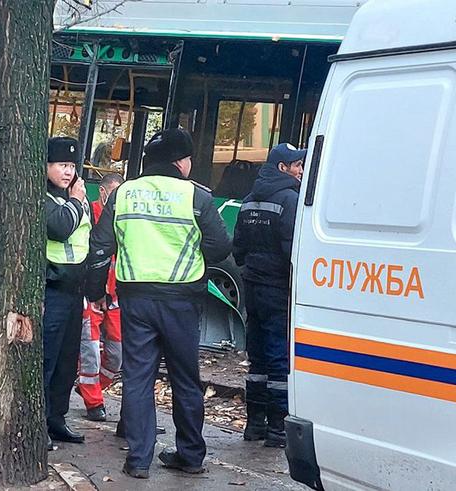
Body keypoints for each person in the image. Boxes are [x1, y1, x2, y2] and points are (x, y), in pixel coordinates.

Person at [87, 128, 231, 479]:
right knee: (185, 378)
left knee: (138, 377)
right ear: (181, 161)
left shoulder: (123, 194)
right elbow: (221, 247)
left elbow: (100, 246)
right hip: (181, 299)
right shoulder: (196, 197)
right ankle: (191, 455)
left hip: (135, 298)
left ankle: (138, 459)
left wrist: (94, 291)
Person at [232, 143, 304, 449]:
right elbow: (293, 250)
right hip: (278, 290)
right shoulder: (291, 200)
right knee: (278, 361)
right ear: (282, 168)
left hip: (252, 287)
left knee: (257, 359)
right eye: (297, 164)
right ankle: (277, 430)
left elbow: (238, 250)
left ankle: (254, 425)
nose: (301, 170)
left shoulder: (248, 201)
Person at [43, 137, 91, 447]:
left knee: (66, 359)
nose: (67, 172)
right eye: (62, 165)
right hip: (52, 287)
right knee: (46, 358)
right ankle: (39, 419)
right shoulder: (44, 196)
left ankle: (57, 418)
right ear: (46, 165)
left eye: (72, 166)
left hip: (75, 290)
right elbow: (58, 229)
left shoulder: (73, 196)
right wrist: (75, 201)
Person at [77, 173, 124, 422]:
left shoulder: (123, 218)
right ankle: (93, 400)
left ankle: (90, 385)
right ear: (104, 193)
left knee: (117, 354)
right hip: (91, 295)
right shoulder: (88, 215)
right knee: (91, 349)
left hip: (114, 296)